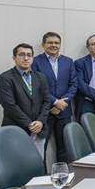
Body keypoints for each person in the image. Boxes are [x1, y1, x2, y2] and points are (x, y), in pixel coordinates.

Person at [0, 43, 50, 160]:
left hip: (39, 130)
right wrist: (29, 124)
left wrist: (40, 121)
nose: (26, 58)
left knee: (38, 164)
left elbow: (46, 101)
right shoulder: (5, 78)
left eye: (29, 55)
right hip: (17, 130)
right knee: (18, 166)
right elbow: (10, 106)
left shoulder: (40, 77)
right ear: (14, 58)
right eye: (21, 54)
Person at [32, 32, 78, 163]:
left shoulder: (68, 61)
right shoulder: (36, 61)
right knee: (41, 148)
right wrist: (55, 102)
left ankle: (63, 175)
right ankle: (42, 178)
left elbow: (74, 84)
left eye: (56, 43)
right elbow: (37, 86)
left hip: (64, 111)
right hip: (45, 112)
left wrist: (62, 103)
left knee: (64, 148)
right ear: (43, 45)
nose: (53, 45)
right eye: (50, 42)